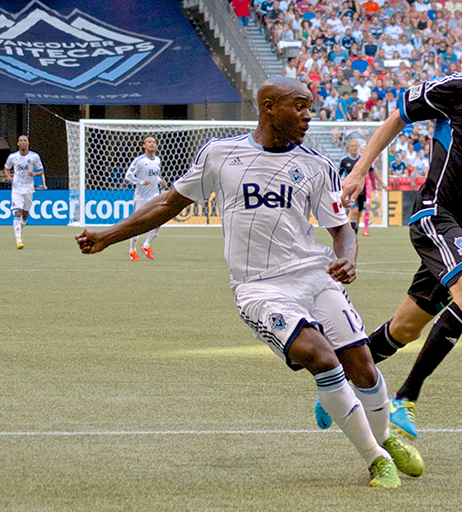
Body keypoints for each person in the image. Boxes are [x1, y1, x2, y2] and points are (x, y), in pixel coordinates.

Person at [76, 77, 422, 488]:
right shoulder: (221, 155)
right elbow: (168, 203)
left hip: (314, 276)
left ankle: (384, 435)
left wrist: (347, 257)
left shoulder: (317, 165)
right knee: (322, 358)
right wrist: (108, 235)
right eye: (299, 106)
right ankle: (375, 457)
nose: (309, 115)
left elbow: (341, 229)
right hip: (259, 287)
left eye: (310, 107)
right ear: (269, 107)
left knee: (361, 364)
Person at [336, 12, 462, 440]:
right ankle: (405, 399)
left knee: (405, 328)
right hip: (437, 215)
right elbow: (397, 117)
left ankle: (336, 387)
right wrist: (359, 171)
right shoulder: (455, 89)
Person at [123, 136, 167, 261]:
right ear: (144, 145)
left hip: (154, 195)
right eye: (149, 142)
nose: (152, 144)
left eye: (154, 142)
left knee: (159, 220)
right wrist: (140, 182)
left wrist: (161, 181)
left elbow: (155, 176)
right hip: (141, 196)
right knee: (137, 223)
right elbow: (128, 176)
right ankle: (132, 250)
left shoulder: (157, 160)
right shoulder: (139, 160)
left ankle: (146, 245)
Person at [3, 135, 45, 250]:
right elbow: (6, 168)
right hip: (16, 187)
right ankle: (18, 239)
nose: (23, 143)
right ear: (17, 144)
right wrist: (8, 176)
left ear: (28, 143)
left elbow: (41, 171)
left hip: (28, 188)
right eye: (21, 141)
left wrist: (34, 174)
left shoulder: (34, 156)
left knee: (25, 215)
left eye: (25, 141)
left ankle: (20, 229)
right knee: (17, 212)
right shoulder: (13, 157)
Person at [338, 138, 387, 236]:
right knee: (354, 210)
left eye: (355, 146)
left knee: (360, 212)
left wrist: (382, 183)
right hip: (351, 189)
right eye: (352, 146)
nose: (354, 148)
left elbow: (372, 171)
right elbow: (338, 175)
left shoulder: (363, 159)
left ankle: (354, 233)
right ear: (348, 148)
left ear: (358, 147)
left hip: (363, 189)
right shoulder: (344, 161)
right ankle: (351, 234)